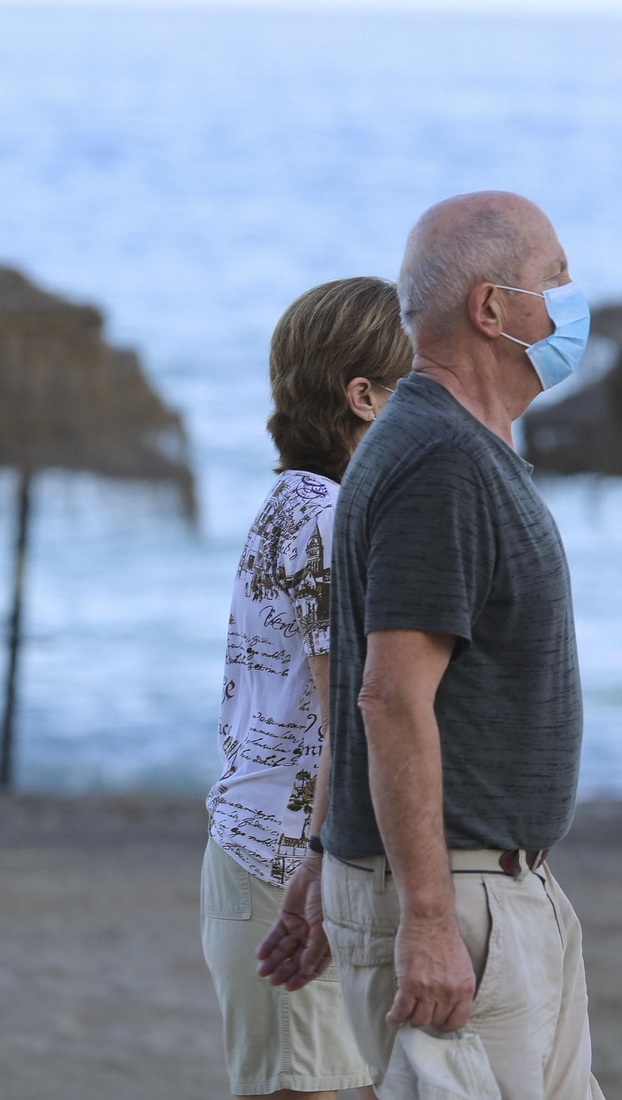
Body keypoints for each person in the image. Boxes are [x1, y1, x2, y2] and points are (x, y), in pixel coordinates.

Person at [259, 191, 605, 1098]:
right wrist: (426, 918)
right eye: (555, 278)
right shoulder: (440, 460)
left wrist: (335, 846)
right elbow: (389, 695)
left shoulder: (458, 448)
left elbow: (379, 687)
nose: (573, 299)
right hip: (462, 895)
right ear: (493, 310)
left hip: (503, 887)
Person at [203, 276, 411, 1100]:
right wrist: (328, 863)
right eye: (417, 387)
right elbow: (345, 718)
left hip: (270, 854)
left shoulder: (292, 502)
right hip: (288, 868)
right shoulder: (328, 516)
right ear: (364, 397)